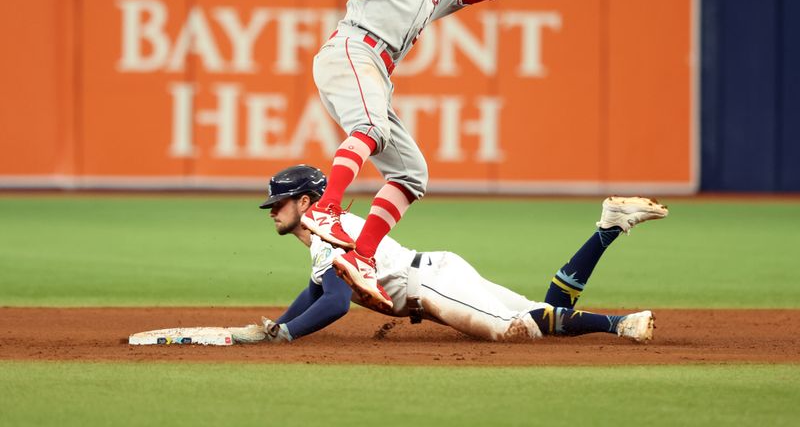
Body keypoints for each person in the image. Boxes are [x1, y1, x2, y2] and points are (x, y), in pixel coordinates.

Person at [300, 0, 556, 312]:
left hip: (378, 70)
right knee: (370, 129)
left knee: (411, 173)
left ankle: (361, 256)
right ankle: (326, 209)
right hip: (353, 48)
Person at [230, 165, 669, 345]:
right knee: (547, 312)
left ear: (306, 202)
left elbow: (335, 301)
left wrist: (286, 336)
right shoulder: (326, 235)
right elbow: (317, 288)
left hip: (434, 286)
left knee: (513, 331)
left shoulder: (330, 234)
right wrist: (279, 325)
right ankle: (608, 228)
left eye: (279, 203)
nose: (273, 212)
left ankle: (618, 325)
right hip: (438, 270)